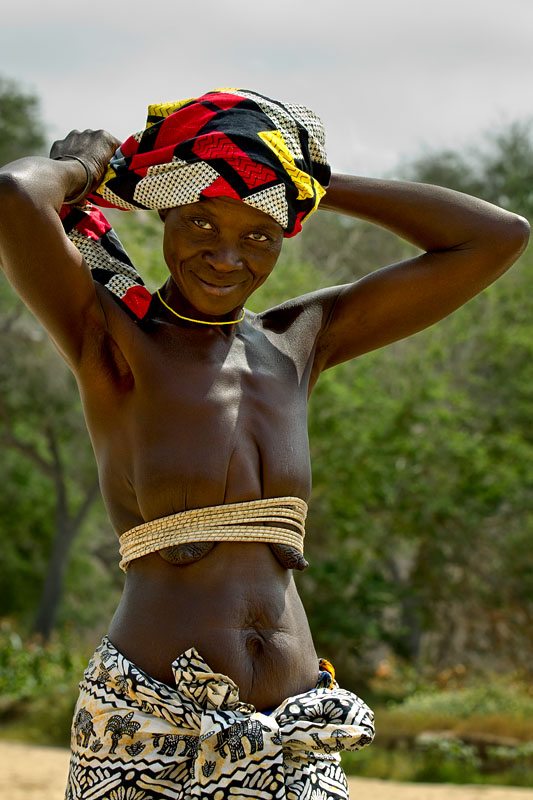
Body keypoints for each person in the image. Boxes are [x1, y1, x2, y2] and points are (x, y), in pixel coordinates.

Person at [0, 89, 528, 800]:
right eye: (200, 223)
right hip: (149, 724)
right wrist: (84, 169)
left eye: (259, 234)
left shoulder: (298, 342)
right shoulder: (114, 341)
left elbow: (496, 237)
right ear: (165, 220)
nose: (226, 255)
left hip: (295, 732)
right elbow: (14, 194)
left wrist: (295, 178)